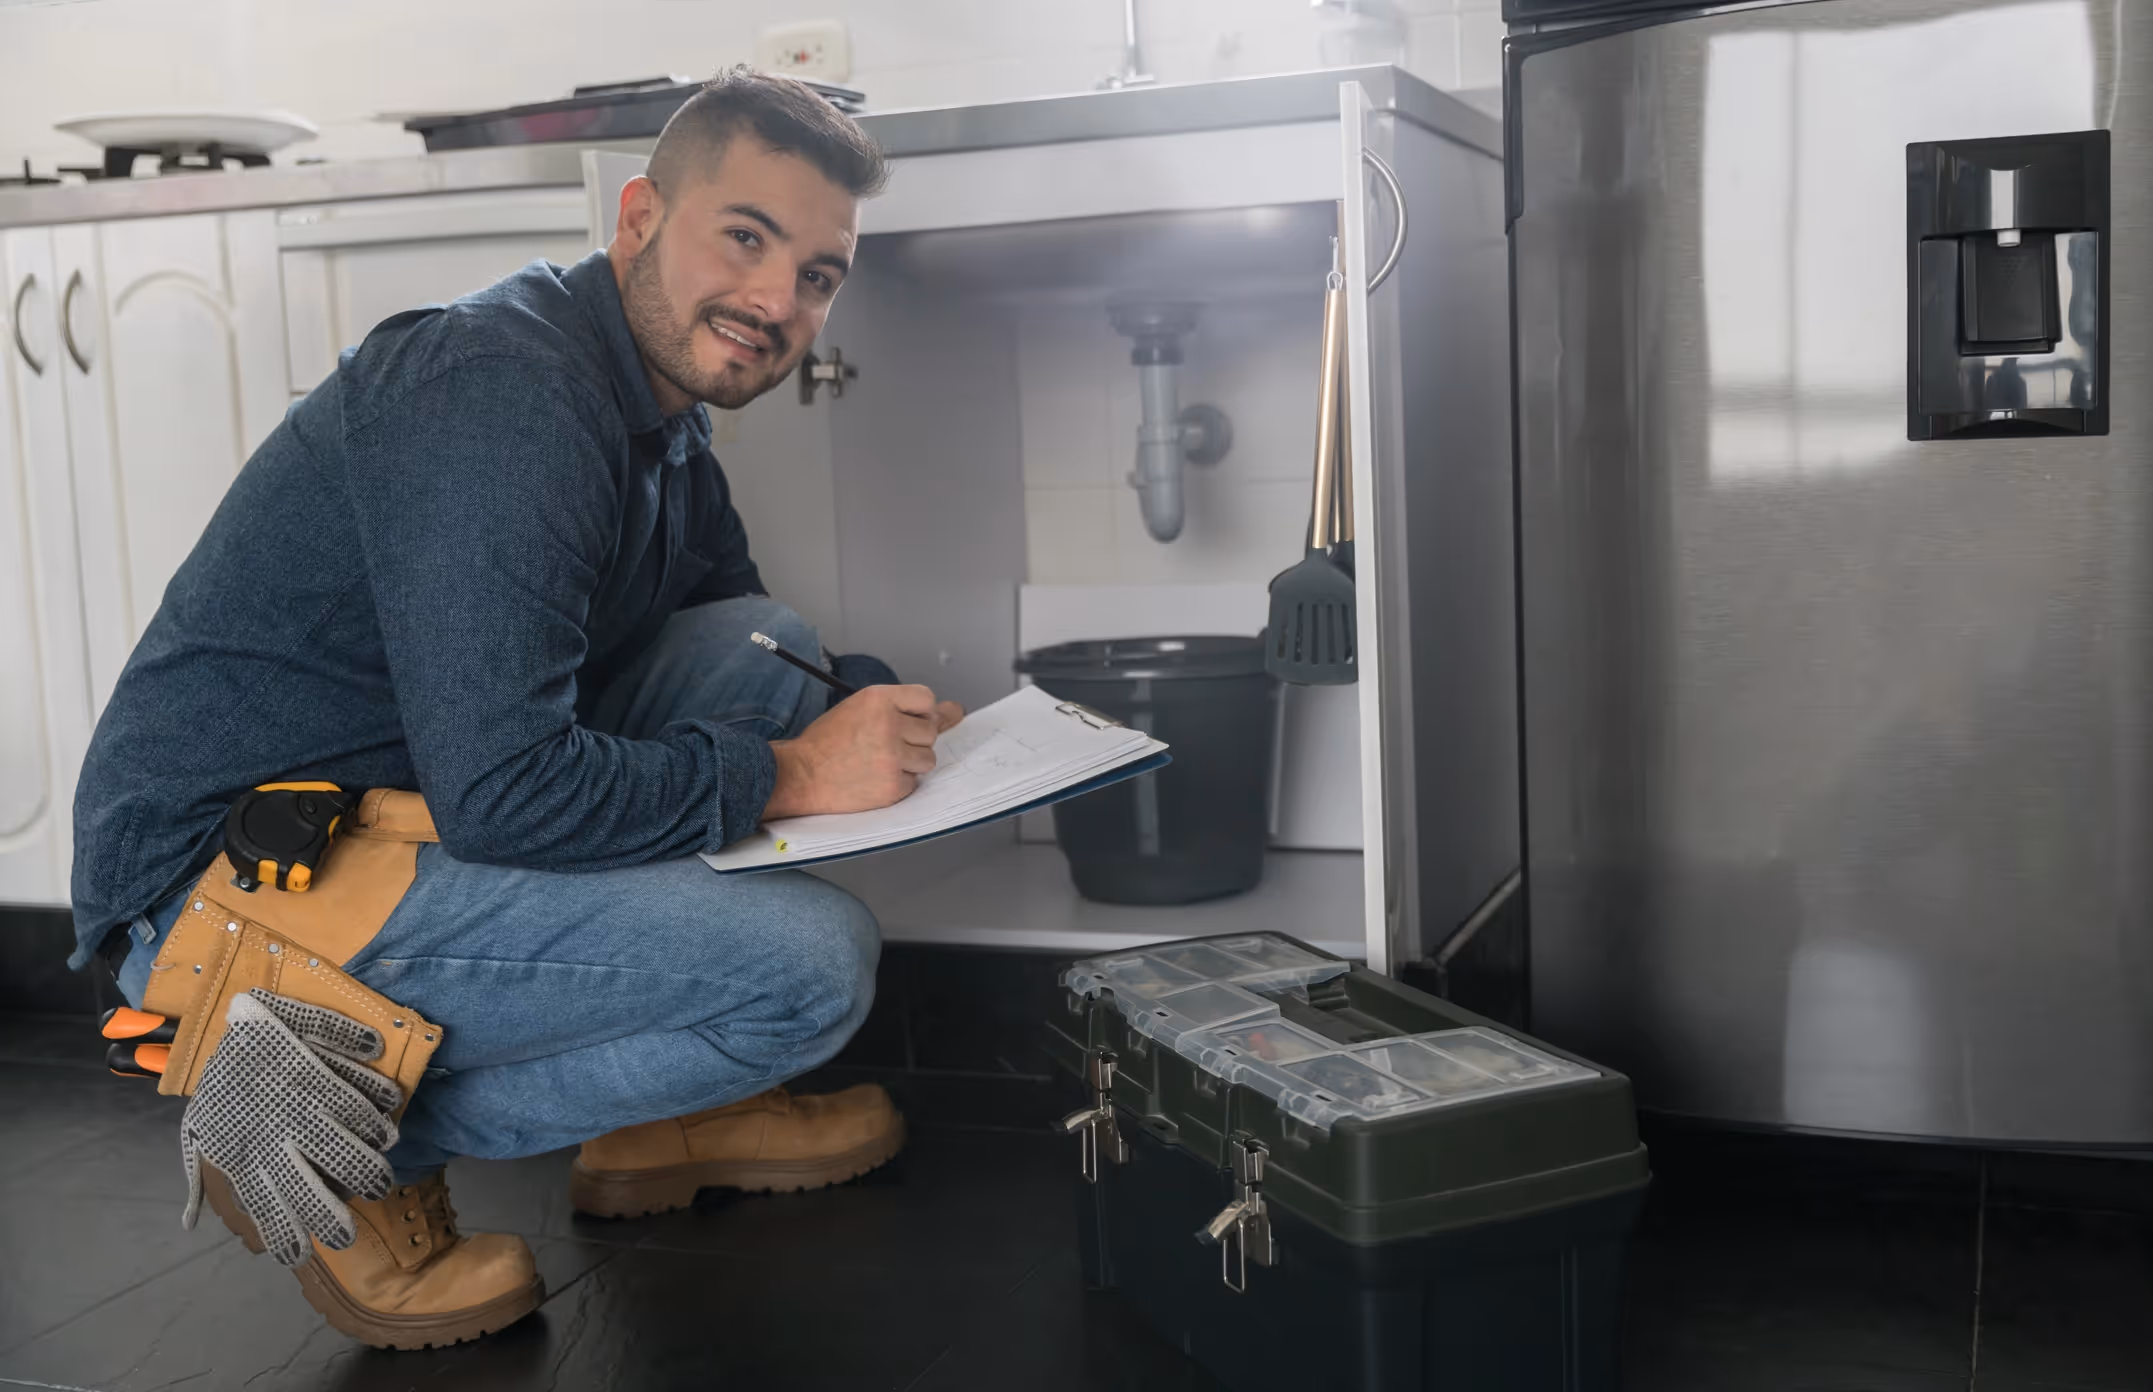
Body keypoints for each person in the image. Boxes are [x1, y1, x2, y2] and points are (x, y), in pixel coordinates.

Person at [66, 67, 947, 1349]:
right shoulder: (503, 394)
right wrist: (801, 776)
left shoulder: (658, 415)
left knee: (772, 648)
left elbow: (740, 625)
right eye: (745, 240)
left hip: (394, 805)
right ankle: (318, 1135)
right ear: (639, 218)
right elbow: (507, 791)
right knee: (812, 969)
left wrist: (879, 709)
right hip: (234, 894)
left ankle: (656, 1116)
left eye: (817, 274)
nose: (776, 301)